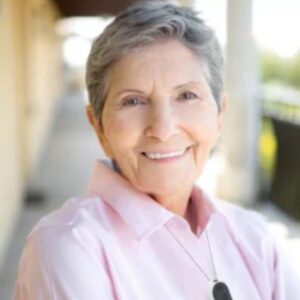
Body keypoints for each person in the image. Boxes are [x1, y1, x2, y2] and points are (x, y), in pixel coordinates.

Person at [12, 1, 299, 299]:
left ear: (219, 115)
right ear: (98, 126)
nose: (163, 129)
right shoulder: (67, 247)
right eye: (133, 101)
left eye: (187, 95)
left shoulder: (257, 241)